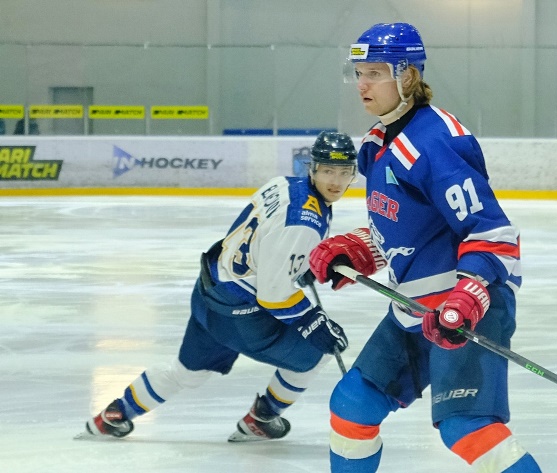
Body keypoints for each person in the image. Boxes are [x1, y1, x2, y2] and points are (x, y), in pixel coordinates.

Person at [309, 23, 542, 472]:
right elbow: (407, 229)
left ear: (409, 76)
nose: (362, 85)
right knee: (353, 405)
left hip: (467, 305)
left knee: (466, 427)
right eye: (359, 73)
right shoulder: (377, 144)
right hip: (414, 308)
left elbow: (493, 234)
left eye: (375, 73)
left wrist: (467, 297)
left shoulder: (437, 143)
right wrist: (359, 249)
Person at [76, 131, 358, 441]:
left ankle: (112, 416)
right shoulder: (304, 221)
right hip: (243, 317)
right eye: (328, 171)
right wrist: (312, 321)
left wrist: (302, 265)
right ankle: (260, 418)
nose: (336, 181)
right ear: (313, 168)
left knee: (187, 373)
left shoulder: (282, 184)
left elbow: (258, 240)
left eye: (344, 172)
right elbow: (274, 295)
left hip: (209, 292)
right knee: (320, 350)